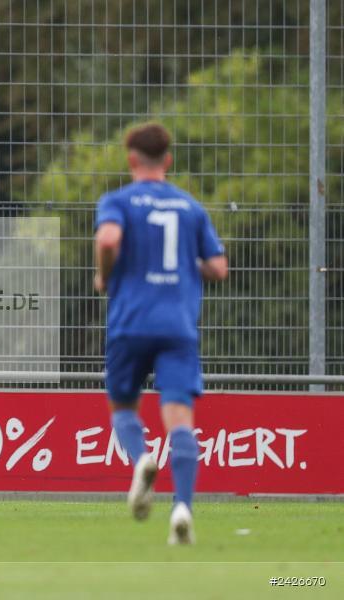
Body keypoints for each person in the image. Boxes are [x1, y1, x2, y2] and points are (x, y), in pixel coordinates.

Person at [93, 123, 228, 544]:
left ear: (132, 159)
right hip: (178, 327)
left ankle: (141, 459)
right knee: (180, 421)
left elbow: (109, 238)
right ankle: (182, 508)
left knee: (123, 408)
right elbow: (219, 268)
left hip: (131, 323)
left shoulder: (118, 201)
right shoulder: (190, 207)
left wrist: (103, 275)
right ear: (168, 160)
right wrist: (191, 264)